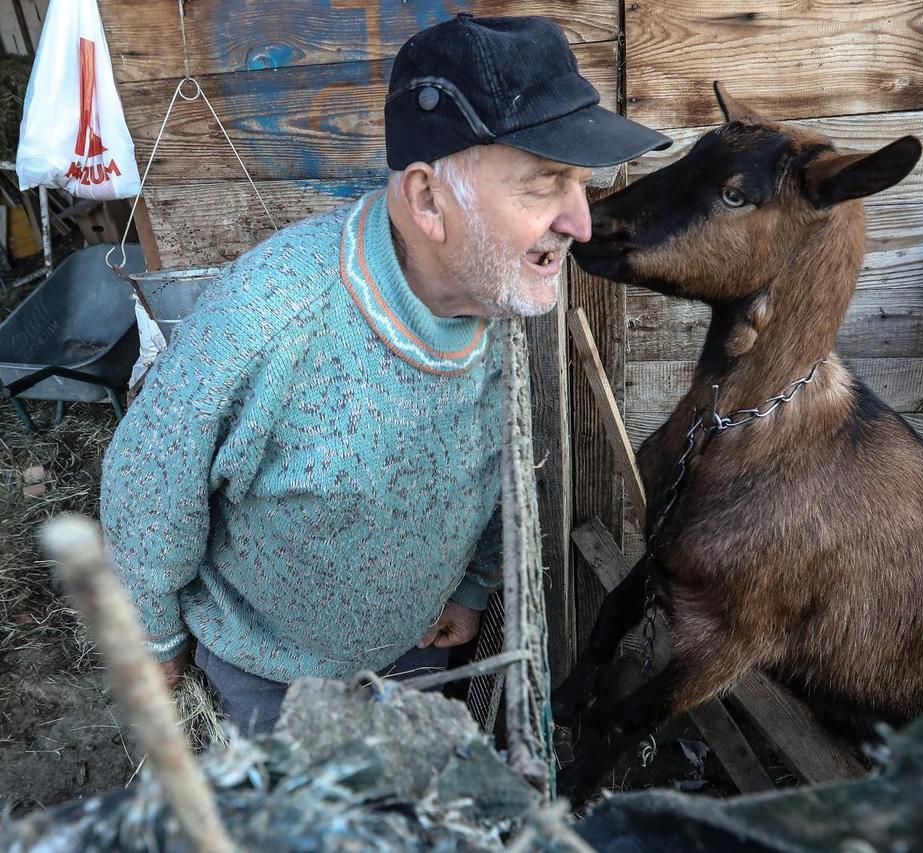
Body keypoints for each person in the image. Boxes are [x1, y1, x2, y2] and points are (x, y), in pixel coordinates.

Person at [99, 14, 671, 734]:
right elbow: (148, 486)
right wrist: (149, 642)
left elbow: (497, 460)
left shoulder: (496, 302)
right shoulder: (271, 322)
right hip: (270, 675)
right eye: (545, 183)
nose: (581, 223)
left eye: (581, 184)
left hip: (419, 647)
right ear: (428, 199)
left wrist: (472, 585)